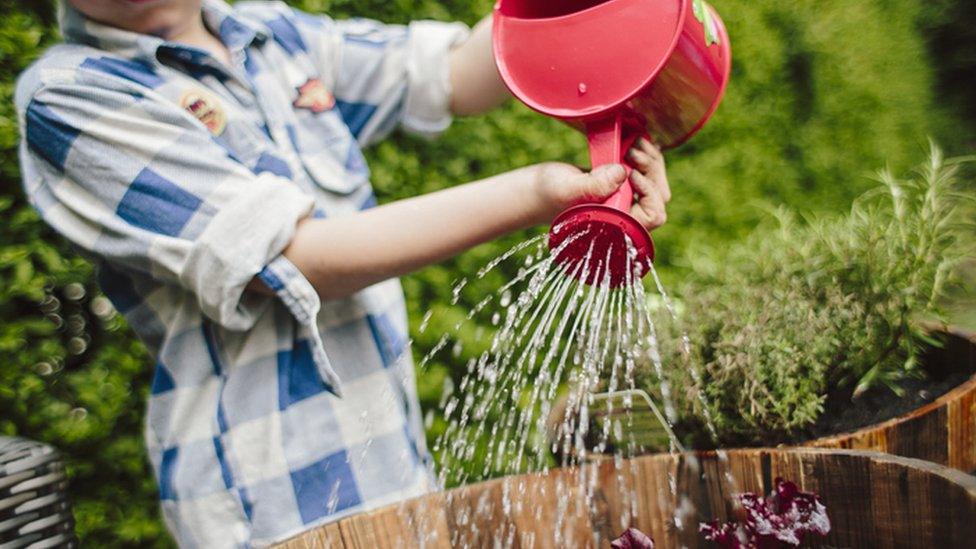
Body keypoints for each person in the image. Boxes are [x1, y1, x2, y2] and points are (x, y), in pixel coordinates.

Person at [15, 0, 672, 546]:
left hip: (392, 470)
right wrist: (540, 191)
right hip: (267, 512)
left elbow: (454, 72)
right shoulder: (71, 95)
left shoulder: (274, 37)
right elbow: (298, 258)